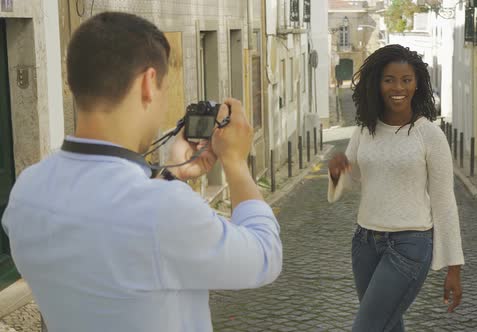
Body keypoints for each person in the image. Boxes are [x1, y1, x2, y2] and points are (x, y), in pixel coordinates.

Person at [1, 12, 282, 332]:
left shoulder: (25, 192)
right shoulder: (161, 210)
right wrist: (235, 161)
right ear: (149, 84)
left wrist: (171, 176)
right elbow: (264, 255)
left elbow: (106, 227)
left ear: (73, 83)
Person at [327, 44, 464, 331]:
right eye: (389, 79)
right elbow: (354, 181)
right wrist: (337, 172)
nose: (397, 87)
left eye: (406, 80)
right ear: (378, 83)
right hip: (364, 243)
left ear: (417, 85)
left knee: (367, 327)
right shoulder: (365, 129)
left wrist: (453, 267)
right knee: (387, 325)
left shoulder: (429, 135)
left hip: (409, 245)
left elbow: (444, 201)